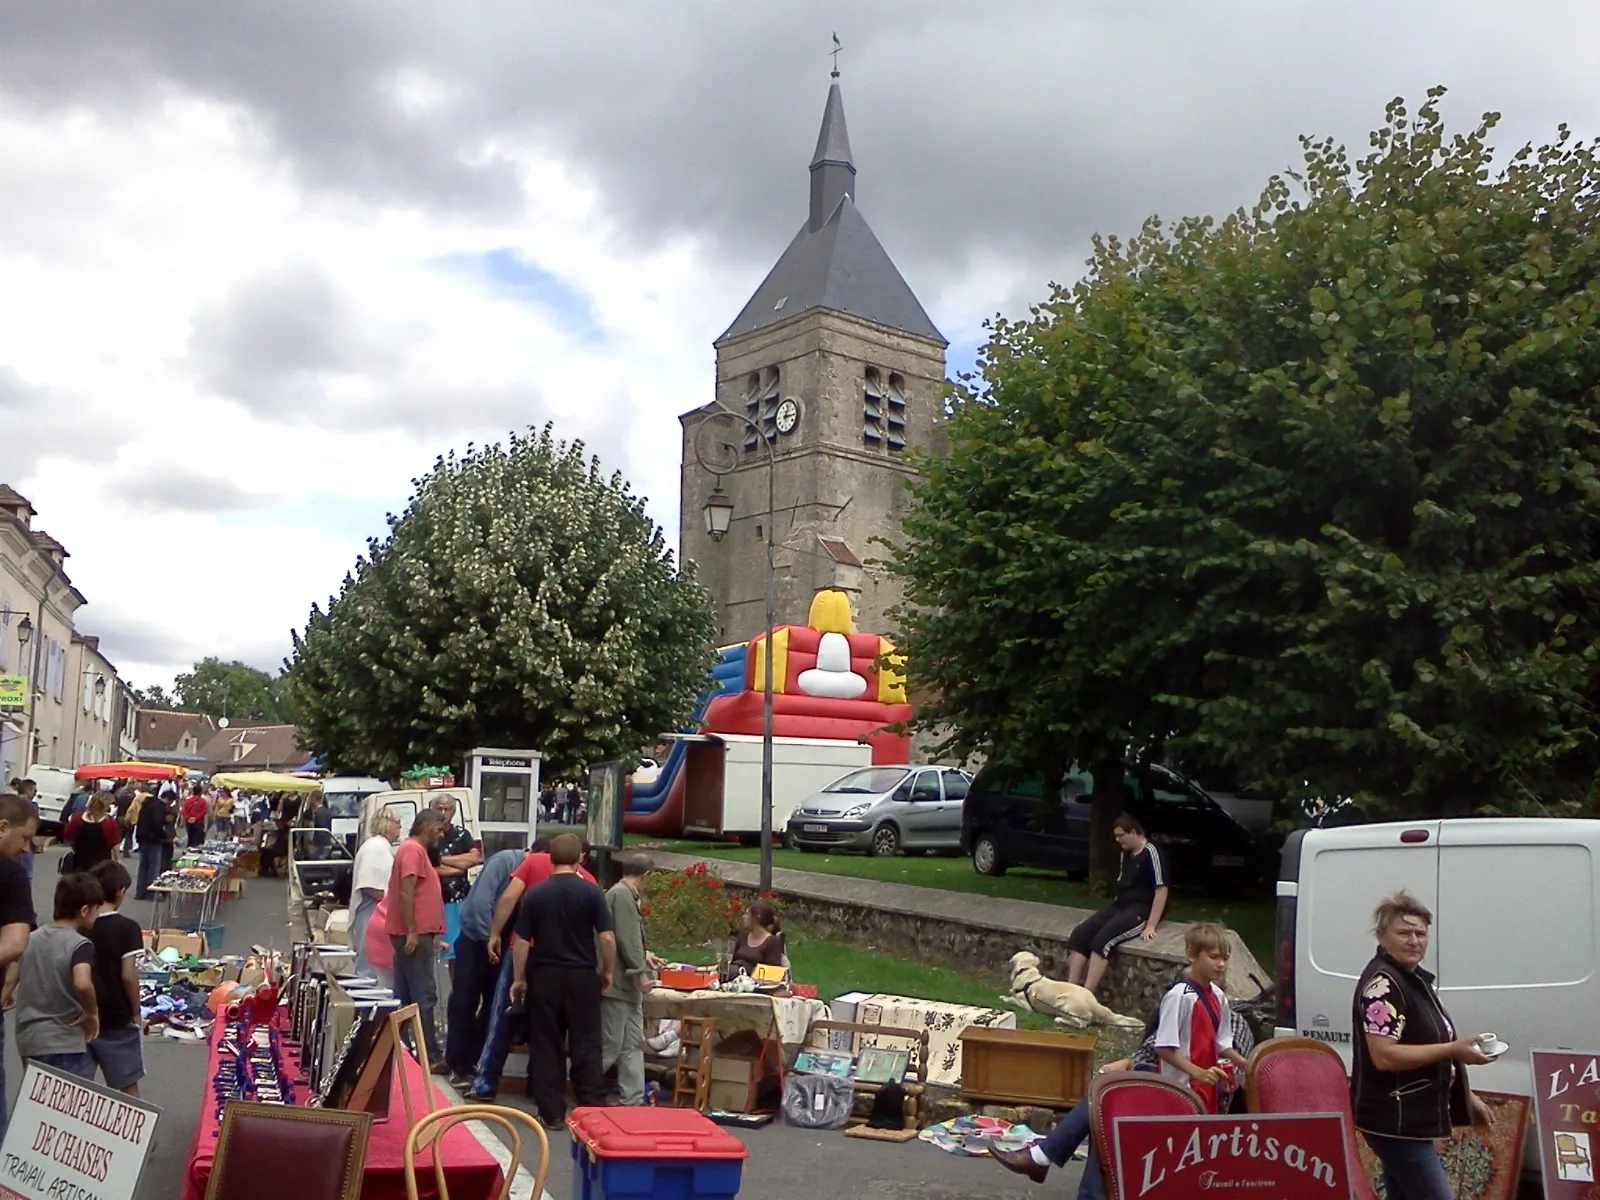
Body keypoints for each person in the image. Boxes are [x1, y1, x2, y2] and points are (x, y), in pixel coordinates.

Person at [992, 979, 1258, 1193]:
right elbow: (1153, 1049)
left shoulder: (1232, 1021)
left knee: (1109, 1100)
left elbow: (1232, 1077)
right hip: (1163, 1086)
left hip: (1195, 1102)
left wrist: (1193, 1075)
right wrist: (1130, 1063)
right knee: (1107, 1099)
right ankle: (1048, 1162)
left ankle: (1045, 1160)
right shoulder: (1184, 1001)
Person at [1352, 891, 1492, 1200]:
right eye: (1404, 932)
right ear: (1381, 936)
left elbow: (1425, 1044)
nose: (1414, 940)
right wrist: (1454, 1049)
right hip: (1394, 1121)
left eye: (1420, 933)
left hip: (1410, 1120)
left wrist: (1465, 1095)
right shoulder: (1384, 986)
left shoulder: (1413, 980)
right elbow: (1384, 1056)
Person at [471, 839, 597, 1100]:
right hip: (558, 960)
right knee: (548, 1026)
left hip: (522, 948)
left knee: (502, 1016)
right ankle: (537, 1086)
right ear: (580, 857)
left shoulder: (533, 862)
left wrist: (495, 933)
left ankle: (485, 1082)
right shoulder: (588, 881)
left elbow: (509, 896)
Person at [509, 833, 616, 1127]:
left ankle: (551, 1111)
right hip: (582, 974)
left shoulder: (536, 894)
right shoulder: (592, 893)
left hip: (545, 974)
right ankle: (591, 1107)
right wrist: (607, 970)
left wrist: (520, 978)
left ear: (551, 858)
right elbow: (606, 937)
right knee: (586, 1042)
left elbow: (521, 941)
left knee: (546, 1043)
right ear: (580, 858)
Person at [1065, 813, 1170, 996]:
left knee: (1102, 941)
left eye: (1121, 835)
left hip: (1139, 910)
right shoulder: (1126, 854)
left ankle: (1086, 995)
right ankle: (1070, 989)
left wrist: (1151, 924)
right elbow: (1123, 882)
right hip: (1120, 905)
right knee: (1080, 934)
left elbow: (1161, 890)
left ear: (1134, 832)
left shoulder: (1152, 853)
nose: (1117, 839)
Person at [13, 871, 103, 1082]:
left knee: (37, 1101)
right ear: (84, 910)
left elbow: (13, 975)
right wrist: (92, 1012)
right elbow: (82, 982)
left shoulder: (31, 939)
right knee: (67, 1107)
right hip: (64, 1039)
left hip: (30, 1037)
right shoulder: (79, 945)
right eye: (96, 910)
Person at [445, 845, 523, 1086]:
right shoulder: (505, 861)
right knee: (465, 999)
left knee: (493, 1004)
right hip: (476, 938)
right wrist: (489, 938)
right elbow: (481, 902)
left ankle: (476, 1057)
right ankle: (457, 1062)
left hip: (503, 942)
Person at [1153, 923, 1246, 1113]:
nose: (1221, 964)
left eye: (1225, 958)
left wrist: (1245, 1064)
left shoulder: (1219, 996)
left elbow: (1222, 1043)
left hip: (1208, 1085)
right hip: (1179, 1088)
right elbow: (1163, 1047)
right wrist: (1198, 1072)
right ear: (1192, 955)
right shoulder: (1179, 996)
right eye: (1214, 957)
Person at [383, 809, 449, 1069]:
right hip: (413, 933)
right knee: (423, 994)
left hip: (417, 932)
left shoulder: (413, 850)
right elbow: (406, 892)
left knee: (407, 993)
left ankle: (403, 1051)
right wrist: (412, 929)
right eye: (439, 828)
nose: (441, 834)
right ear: (425, 826)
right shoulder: (413, 850)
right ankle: (428, 1055)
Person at [602, 853, 663, 1106]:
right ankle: (587, 1088)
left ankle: (633, 1098)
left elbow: (627, 939)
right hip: (619, 983)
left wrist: (644, 956)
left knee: (632, 1044)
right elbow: (626, 939)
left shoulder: (621, 894)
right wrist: (640, 972)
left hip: (626, 984)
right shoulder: (623, 896)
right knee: (611, 1044)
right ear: (646, 875)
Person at [85, 861, 144, 1095]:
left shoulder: (81, 925)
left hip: (83, 1012)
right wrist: (136, 1011)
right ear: (120, 891)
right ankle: (132, 1131)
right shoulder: (127, 927)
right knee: (127, 1082)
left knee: (74, 1085)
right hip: (116, 1015)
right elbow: (128, 975)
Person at [0, 792, 40, 1130]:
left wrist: (11, 976)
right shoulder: (11, 875)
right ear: (3, 828)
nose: (27, 848)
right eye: (25, 837)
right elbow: (15, 941)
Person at [430, 794, 482, 964]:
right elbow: (430, 869)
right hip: (434, 899)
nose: (443, 813)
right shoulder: (428, 837)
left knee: (457, 954)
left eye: (447, 809)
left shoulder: (461, 834)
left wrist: (442, 860)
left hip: (459, 898)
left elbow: (474, 859)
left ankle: (455, 990)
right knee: (434, 952)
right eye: (439, 808)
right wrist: (459, 865)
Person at [350, 808, 400, 979]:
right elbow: (370, 885)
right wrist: (391, 903)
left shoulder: (379, 846)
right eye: (397, 824)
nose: (400, 828)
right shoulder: (376, 848)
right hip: (372, 913)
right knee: (370, 967)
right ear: (387, 825)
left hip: (375, 913)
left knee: (372, 964)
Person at [729, 899, 789, 976]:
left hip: (754, 982)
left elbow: (772, 972)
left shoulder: (772, 942)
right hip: (733, 978)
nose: (743, 917)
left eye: (747, 914)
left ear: (757, 917)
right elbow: (731, 961)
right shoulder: (742, 937)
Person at [64, 792, 120, 872]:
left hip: (80, 861)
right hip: (102, 864)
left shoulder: (77, 818)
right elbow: (114, 844)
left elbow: (68, 835)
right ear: (106, 806)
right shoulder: (108, 823)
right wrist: (117, 859)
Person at [134, 783, 172, 900]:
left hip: (142, 837)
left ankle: (140, 892)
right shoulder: (159, 807)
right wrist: (164, 836)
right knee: (153, 866)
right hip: (153, 839)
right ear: (168, 799)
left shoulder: (147, 804)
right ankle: (151, 892)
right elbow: (157, 824)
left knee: (143, 866)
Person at [12, 779, 38, 882]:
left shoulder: (11, 803)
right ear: (28, 791)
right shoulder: (31, 806)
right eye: (34, 791)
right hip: (25, 842)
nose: (35, 794)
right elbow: (33, 827)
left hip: (10, 843)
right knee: (25, 874)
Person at [181, 783, 208, 848]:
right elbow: (203, 812)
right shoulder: (203, 801)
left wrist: (188, 818)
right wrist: (195, 818)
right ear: (201, 792)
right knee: (197, 839)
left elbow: (184, 811)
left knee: (190, 837)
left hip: (189, 822)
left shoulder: (188, 801)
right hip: (199, 822)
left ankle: (188, 850)